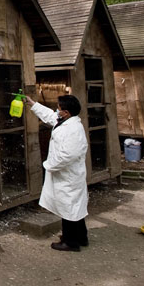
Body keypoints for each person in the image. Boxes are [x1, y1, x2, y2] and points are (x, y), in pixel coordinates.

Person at [24, 94, 89, 252]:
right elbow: (50, 116)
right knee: (75, 207)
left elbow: (68, 155)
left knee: (68, 208)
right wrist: (32, 104)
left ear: (66, 112)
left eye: (59, 108)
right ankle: (81, 237)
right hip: (67, 174)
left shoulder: (73, 130)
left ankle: (70, 242)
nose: (56, 110)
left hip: (68, 175)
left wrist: (49, 165)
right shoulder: (65, 121)